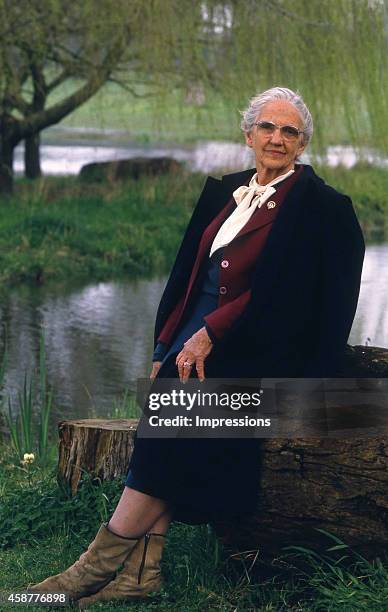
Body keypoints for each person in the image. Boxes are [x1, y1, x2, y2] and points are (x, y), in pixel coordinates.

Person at [29, 87, 365, 606]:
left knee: (174, 418)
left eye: (289, 131)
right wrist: (165, 341)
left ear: (302, 144)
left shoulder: (325, 208)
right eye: (267, 128)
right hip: (192, 347)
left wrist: (215, 332)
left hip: (263, 359)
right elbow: (186, 276)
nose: (276, 139)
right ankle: (141, 571)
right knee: (172, 413)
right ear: (248, 134)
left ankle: (95, 564)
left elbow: (299, 299)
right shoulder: (224, 191)